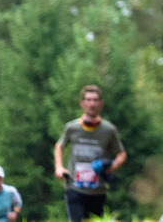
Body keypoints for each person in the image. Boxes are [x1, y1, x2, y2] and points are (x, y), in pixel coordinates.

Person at [53, 85, 127, 222]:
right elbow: (59, 146)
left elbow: (121, 154)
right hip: (74, 186)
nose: (91, 104)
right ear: (82, 103)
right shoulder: (72, 127)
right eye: (88, 100)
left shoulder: (109, 130)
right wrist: (59, 167)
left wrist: (111, 167)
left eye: (95, 100)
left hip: (98, 189)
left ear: (101, 103)